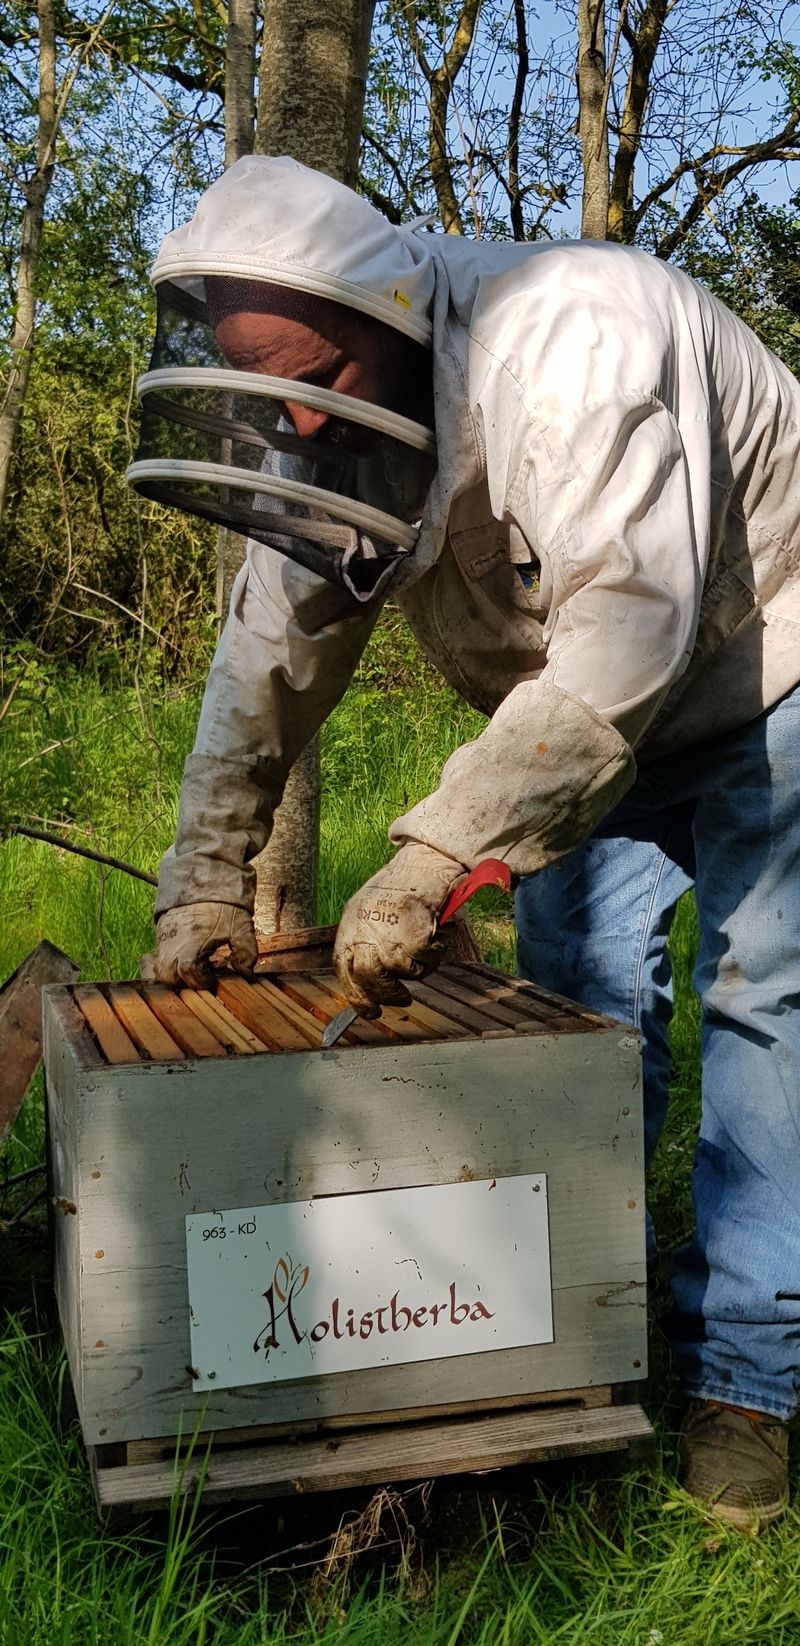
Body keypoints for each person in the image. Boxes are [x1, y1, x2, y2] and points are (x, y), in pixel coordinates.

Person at [132, 155, 800, 1530]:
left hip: (768, 655)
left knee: (763, 996)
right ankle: (583, 1319)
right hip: (565, 709)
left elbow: (630, 629)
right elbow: (267, 660)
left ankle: (749, 1382)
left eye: (322, 384)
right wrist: (203, 872)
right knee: (578, 1007)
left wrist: (436, 853)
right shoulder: (323, 418)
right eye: (271, 399)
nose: (299, 430)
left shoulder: (574, 342)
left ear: (394, 316)